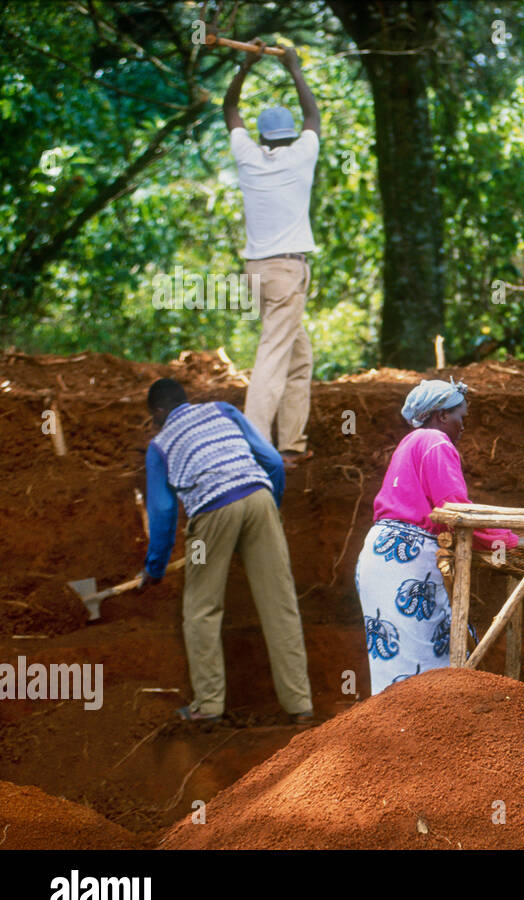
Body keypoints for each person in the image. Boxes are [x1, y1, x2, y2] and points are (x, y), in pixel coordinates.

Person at [138, 379, 313, 724]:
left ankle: (208, 706)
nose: (154, 424)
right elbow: (273, 462)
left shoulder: (159, 447)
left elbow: (162, 511)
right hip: (260, 502)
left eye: (152, 417)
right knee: (280, 604)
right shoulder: (222, 410)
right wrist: (268, 513)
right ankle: (301, 705)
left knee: (202, 607)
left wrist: (155, 568)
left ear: (159, 411)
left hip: (209, 522)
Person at [357, 379, 524, 694]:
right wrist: (511, 540)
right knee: (425, 668)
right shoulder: (436, 442)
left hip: (380, 554)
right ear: (441, 415)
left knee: (396, 665)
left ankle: (398, 736)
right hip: (407, 559)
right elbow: (457, 512)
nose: (463, 426)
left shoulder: (410, 443)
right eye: (460, 417)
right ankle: (423, 737)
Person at [224, 43, 321, 468]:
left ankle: (291, 444)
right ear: (288, 136)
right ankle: (256, 443)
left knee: (299, 358)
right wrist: (295, 68)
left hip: (257, 272)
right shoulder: (302, 155)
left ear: (261, 136)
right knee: (272, 354)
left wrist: (244, 67)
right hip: (286, 269)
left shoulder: (247, 156)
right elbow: (313, 116)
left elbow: (230, 110)